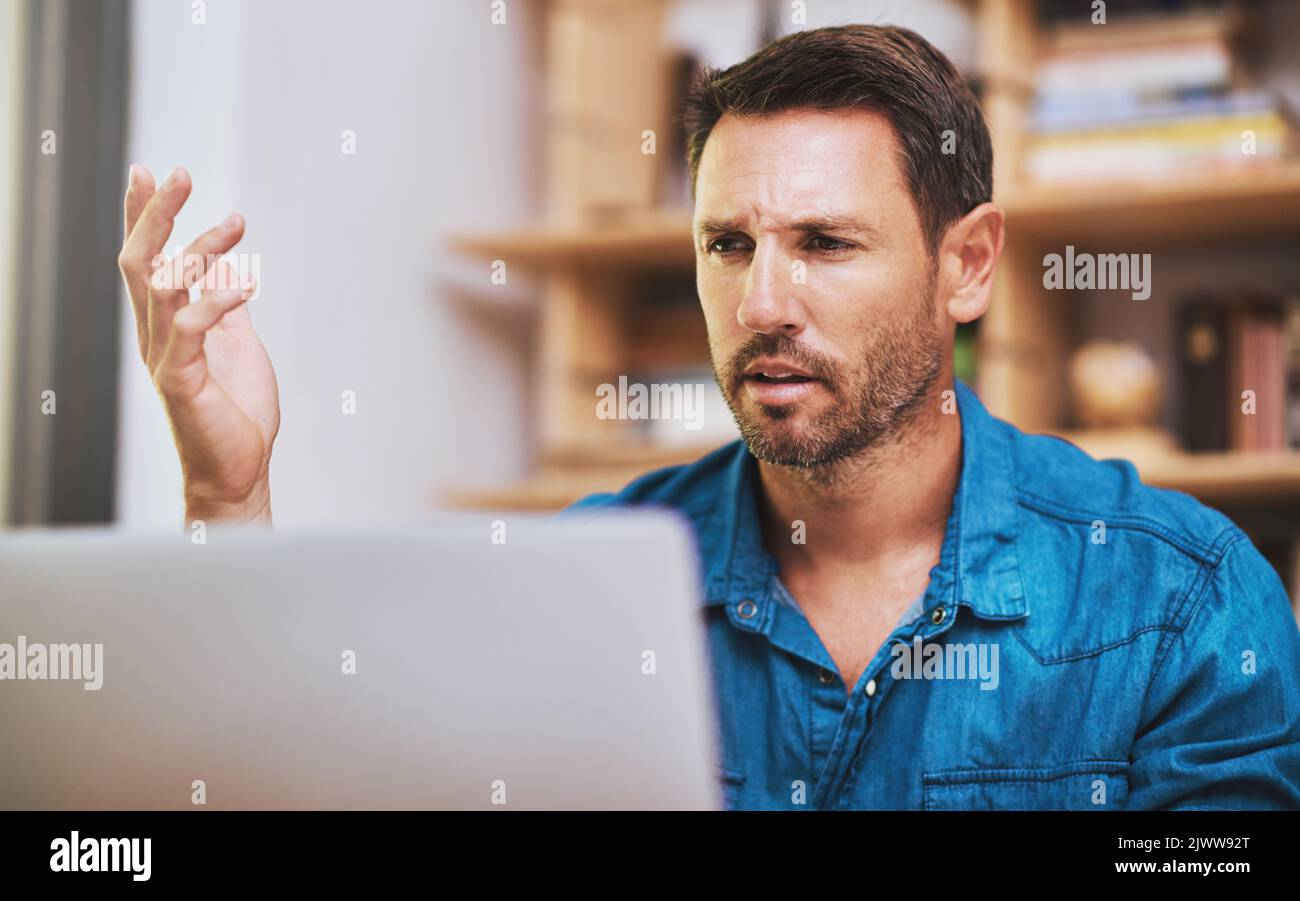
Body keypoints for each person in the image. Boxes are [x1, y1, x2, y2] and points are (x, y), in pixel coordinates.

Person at [116, 24, 1300, 810]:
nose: (760, 303)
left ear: (968, 264)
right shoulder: (577, 585)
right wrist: (230, 500)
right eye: (726, 245)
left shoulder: (1180, 602)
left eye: (825, 244)